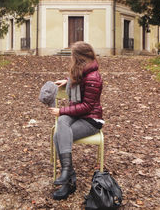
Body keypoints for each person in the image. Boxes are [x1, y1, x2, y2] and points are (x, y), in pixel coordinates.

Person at [48, 41, 104, 200]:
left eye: (73, 56)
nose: (71, 59)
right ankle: (68, 175)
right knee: (62, 126)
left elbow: (87, 106)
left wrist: (61, 111)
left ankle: (68, 179)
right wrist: (68, 80)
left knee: (59, 134)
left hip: (91, 120)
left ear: (79, 58)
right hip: (78, 115)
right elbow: (78, 78)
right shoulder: (81, 72)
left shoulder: (94, 77)